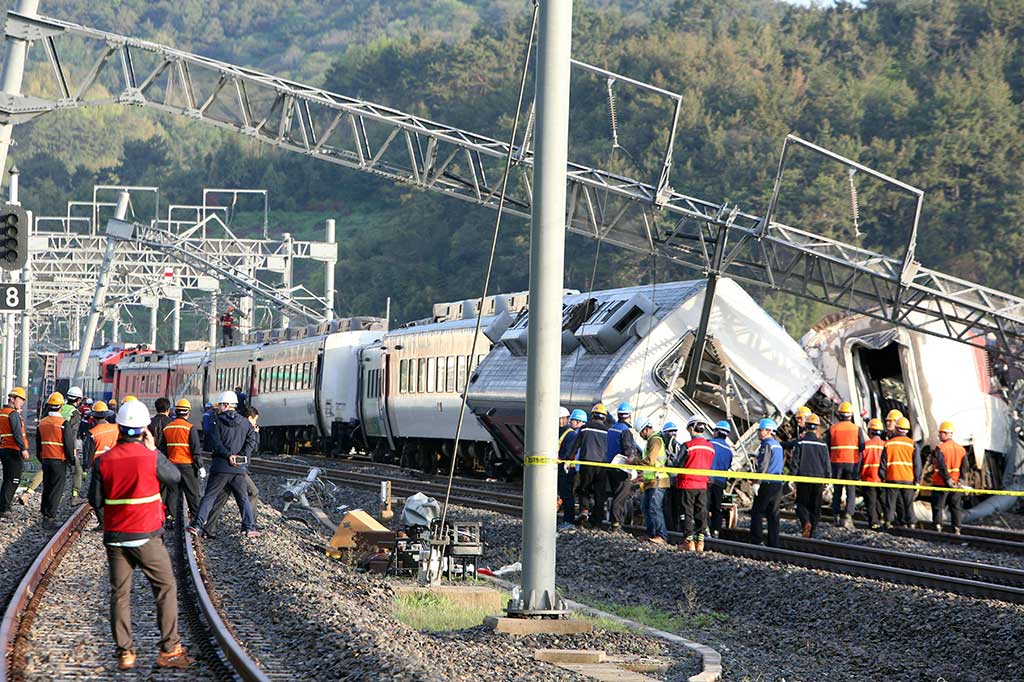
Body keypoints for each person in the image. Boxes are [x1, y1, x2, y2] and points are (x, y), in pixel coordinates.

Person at [87, 400, 192, 670]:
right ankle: (169, 650)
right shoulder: (151, 457)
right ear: (145, 429)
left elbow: (95, 500)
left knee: (120, 594)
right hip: (146, 535)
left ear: (119, 428)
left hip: (115, 538)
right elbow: (174, 478)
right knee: (165, 587)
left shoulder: (104, 461)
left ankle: (125, 653)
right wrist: (154, 449)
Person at [188, 392, 259, 538]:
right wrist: (241, 456)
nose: (218, 408)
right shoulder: (246, 423)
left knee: (209, 496)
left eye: (220, 405)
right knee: (243, 497)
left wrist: (228, 456)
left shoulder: (216, 421)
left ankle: (197, 524)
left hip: (220, 467)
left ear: (226, 405)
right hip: (238, 469)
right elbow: (251, 441)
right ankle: (250, 527)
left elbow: (215, 443)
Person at [206, 407, 260, 535]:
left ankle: (208, 528)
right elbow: (253, 449)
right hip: (238, 469)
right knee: (252, 493)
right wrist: (256, 434)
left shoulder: (237, 426)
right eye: (254, 420)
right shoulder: (246, 428)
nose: (255, 423)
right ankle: (250, 525)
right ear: (249, 418)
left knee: (221, 498)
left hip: (227, 468)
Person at [673, 416, 715, 552]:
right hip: (702, 485)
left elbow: (678, 464)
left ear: (692, 428)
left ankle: (688, 542)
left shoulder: (687, 446)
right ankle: (700, 543)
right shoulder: (710, 447)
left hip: (686, 484)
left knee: (687, 513)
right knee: (701, 513)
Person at [159, 399, 205, 523]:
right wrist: (200, 466)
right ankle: (196, 518)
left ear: (175, 411)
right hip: (187, 466)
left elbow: (163, 449)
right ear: (188, 412)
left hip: (172, 465)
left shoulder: (168, 428)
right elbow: (195, 450)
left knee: (172, 493)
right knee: (192, 493)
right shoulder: (190, 428)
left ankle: (170, 518)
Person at [570, 403, 610, 528]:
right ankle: (597, 521)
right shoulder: (608, 431)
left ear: (592, 415)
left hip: (586, 463)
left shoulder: (585, 428)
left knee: (584, 488)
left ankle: (585, 511)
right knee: (599, 493)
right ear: (604, 417)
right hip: (602, 466)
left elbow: (576, 445)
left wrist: (569, 458)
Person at [825, 401, 864, 528]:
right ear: (851, 415)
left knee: (837, 490)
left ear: (839, 415)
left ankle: (836, 516)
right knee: (850, 490)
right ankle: (848, 516)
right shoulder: (857, 429)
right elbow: (862, 446)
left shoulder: (832, 429)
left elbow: (827, 446)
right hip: (852, 463)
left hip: (836, 463)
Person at [37, 392, 74, 525]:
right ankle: (50, 517)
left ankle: (44, 512)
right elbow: (69, 445)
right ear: (61, 406)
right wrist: (72, 461)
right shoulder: (63, 423)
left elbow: (38, 444)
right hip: (59, 460)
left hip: (46, 459)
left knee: (47, 486)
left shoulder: (41, 423)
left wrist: (41, 459)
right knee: (57, 488)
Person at [792, 414, 830, 538]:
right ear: (817, 428)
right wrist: (828, 479)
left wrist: (791, 478)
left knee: (800, 505)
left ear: (806, 426)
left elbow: (795, 462)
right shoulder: (823, 445)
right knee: (816, 507)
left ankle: (805, 523)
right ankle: (812, 531)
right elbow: (826, 463)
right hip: (818, 480)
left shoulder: (800, 442)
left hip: (803, 479)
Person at [880, 416, 921, 528]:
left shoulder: (889, 444)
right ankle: (911, 523)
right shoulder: (912, 444)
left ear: (896, 429)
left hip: (892, 477)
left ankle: (888, 522)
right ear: (907, 430)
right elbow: (917, 464)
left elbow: (883, 463)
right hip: (908, 478)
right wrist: (917, 480)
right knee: (908, 503)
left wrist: (882, 476)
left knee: (890, 502)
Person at [605, 402, 639, 529]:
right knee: (621, 495)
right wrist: (634, 463)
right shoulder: (625, 431)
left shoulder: (612, 429)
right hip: (621, 467)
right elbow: (628, 450)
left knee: (615, 494)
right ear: (629, 416)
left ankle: (614, 522)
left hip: (610, 466)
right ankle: (615, 524)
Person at [750, 418, 784, 547]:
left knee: (757, 512)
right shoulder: (778, 445)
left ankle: (757, 540)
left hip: (767, 483)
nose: (758, 432)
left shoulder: (766, 445)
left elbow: (763, 465)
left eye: (760, 430)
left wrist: (757, 482)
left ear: (769, 431)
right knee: (773, 514)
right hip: (777, 483)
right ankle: (774, 543)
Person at [637, 418, 669, 544]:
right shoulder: (650, 441)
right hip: (650, 480)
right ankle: (651, 533)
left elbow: (650, 461)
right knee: (645, 507)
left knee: (654, 508)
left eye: (640, 433)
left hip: (658, 479)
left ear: (646, 429)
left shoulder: (655, 440)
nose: (640, 436)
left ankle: (662, 535)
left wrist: (633, 461)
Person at [931, 420, 966, 534]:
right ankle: (957, 528)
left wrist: (947, 479)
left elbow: (941, 466)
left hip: (941, 483)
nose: (939, 435)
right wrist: (960, 480)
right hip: (956, 484)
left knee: (938, 507)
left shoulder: (940, 448)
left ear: (946, 434)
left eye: (941, 433)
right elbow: (964, 467)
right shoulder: (961, 449)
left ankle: (938, 527)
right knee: (955, 507)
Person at [0, 387, 30, 516]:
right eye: (20, 399)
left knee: (7, 479)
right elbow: (17, 433)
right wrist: (23, 449)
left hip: (4, 449)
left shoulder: (2, 412)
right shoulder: (13, 414)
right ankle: (5, 508)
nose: (22, 402)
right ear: (12, 399)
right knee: (14, 480)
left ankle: (4, 505)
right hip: (13, 450)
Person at [557, 408, 584, 529]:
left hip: (567, 470)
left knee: (567, 495)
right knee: (563, 495)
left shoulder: (570, 434)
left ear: (564, 419)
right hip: (559, 468)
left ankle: (569, 520)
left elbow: (567, 454)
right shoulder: (560, 432)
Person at [707, 420, 734, 538]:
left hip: (707, 480)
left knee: (704, 505)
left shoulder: (709, 443)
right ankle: (716, 530)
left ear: (717, 432)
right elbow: (728, 466)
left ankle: (705, 529)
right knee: (717, 507)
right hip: (720, 481)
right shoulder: (729, 450)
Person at [860, 418, 886, 529]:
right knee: (880, 499)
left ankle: (874, 522)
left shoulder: (866, 445)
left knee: (871, 501)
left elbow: (860, 461)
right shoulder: (885, 445)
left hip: (868, 477)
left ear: (870, 431)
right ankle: (882, 518)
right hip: (882, 478)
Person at [63, 386, 86, 505]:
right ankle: (75, 497)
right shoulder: (75, 413)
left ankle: (28, 492)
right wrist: (72, 449)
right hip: (67, 445)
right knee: (78, 471)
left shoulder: (61, 408)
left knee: (45, 469)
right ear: (78, 400)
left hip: (56, 444)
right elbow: (72, 433)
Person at [661, 421, 682, 533]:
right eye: (671, 432)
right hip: (672, 480)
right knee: (672, 506)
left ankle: (671, 528)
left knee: (669, 506)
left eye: (674, 432)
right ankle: (674, 528)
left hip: (669, 480)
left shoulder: (674, 446)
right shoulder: (676, 445)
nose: (673, 434)